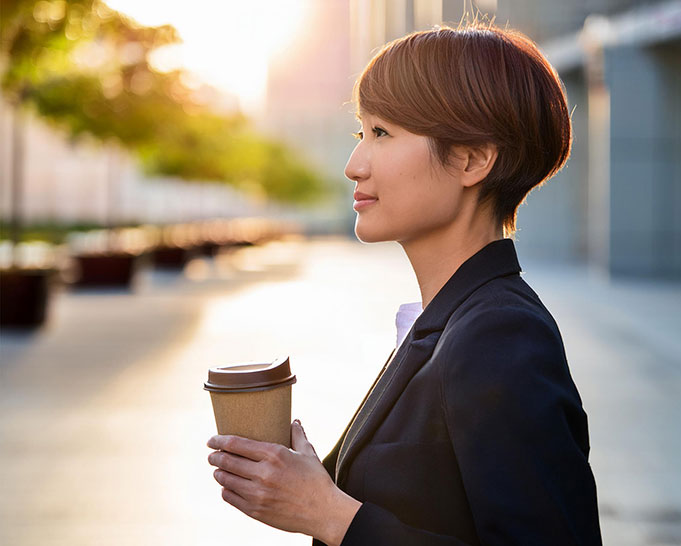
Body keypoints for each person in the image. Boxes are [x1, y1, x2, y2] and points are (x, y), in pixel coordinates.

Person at [207, 22, 602, 546]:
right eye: (360, 133)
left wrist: (332, 516)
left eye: (383, 134)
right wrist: (307, 484)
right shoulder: (447, 320)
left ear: (471, 159)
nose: (354, 165)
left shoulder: (500, 336)